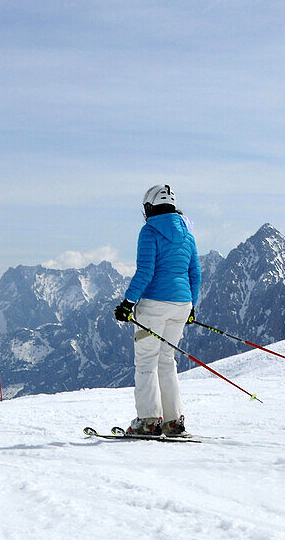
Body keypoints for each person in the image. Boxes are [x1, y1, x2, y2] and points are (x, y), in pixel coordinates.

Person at [113, 185, 200, 437]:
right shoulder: (188, 234)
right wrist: (192, 306)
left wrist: (128, 303)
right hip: (182, 305)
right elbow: (195, 274)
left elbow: (145, 272)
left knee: (146, 363)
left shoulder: (149, 231)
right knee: (167, 362)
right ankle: (173, 422)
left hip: (154, 304)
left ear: (149, 207)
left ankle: (149, 421)